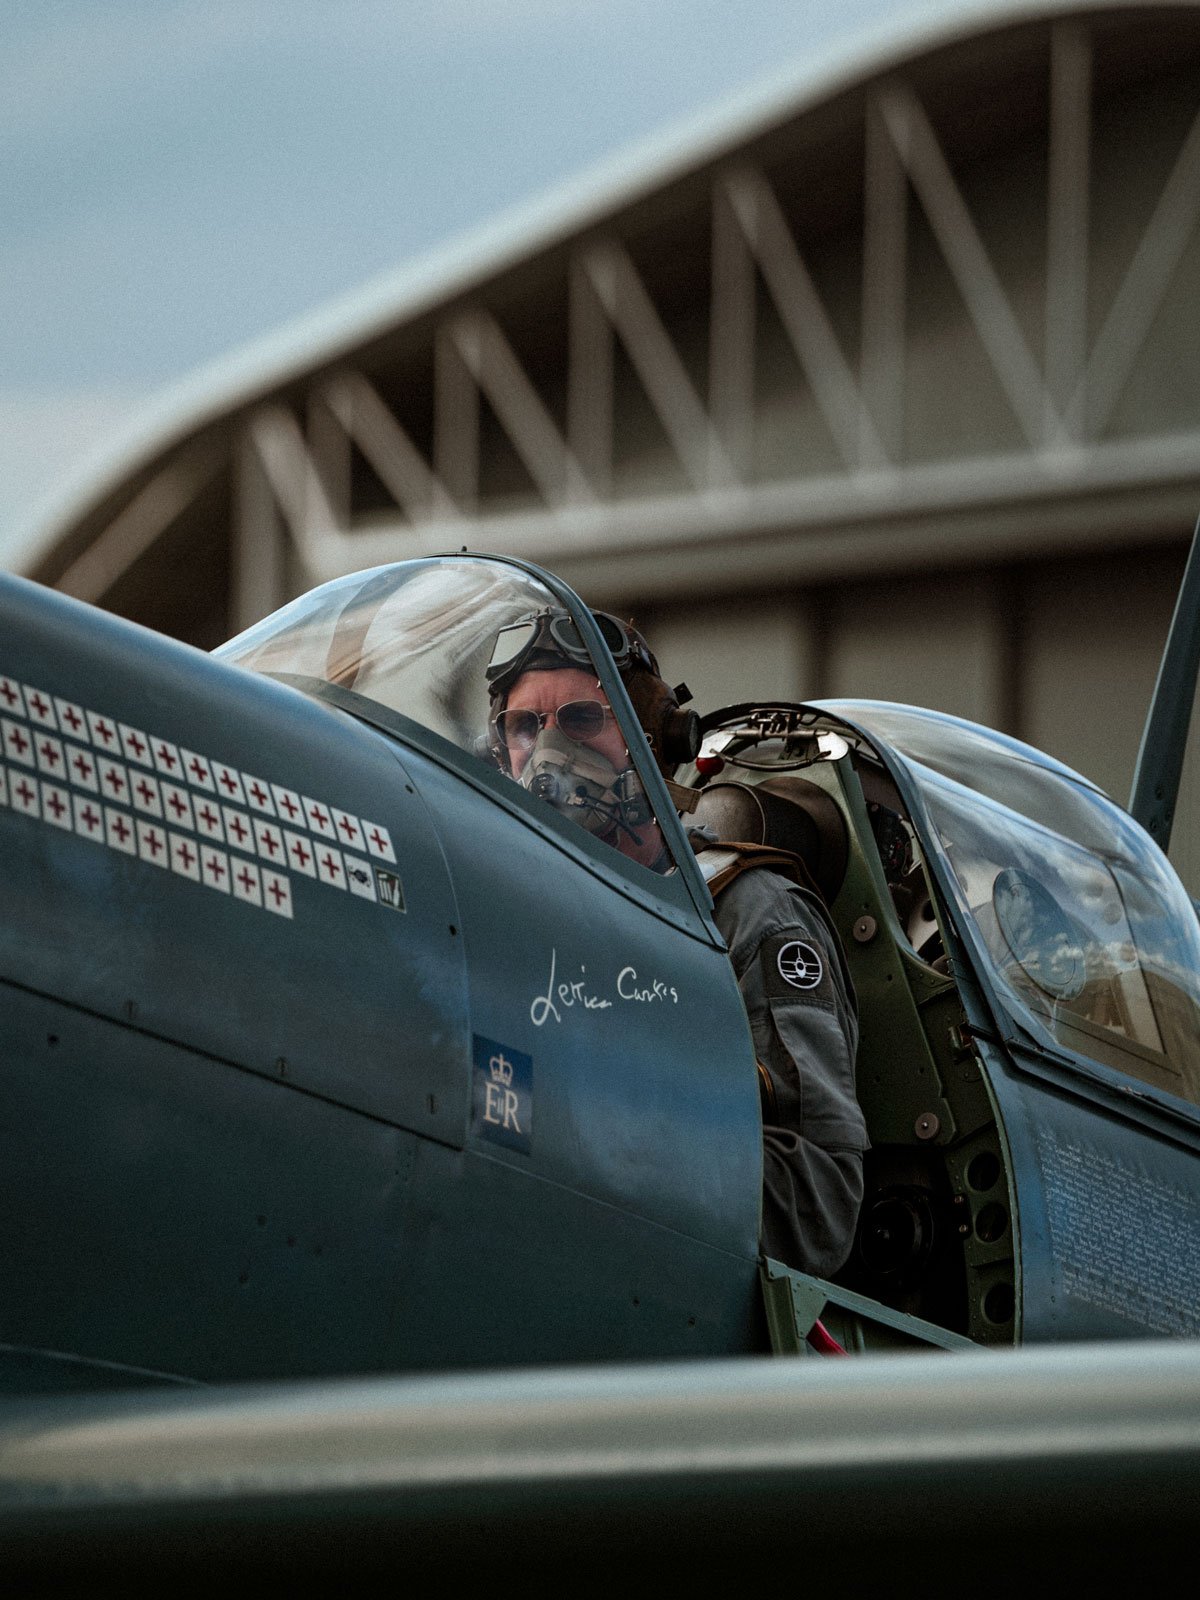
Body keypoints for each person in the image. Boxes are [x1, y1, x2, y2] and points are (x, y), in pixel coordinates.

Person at [486, 605, 866, 1278]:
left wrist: (594, 1155)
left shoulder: (750, 916)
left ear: (651, 741)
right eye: (525, 726)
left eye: (580, 720)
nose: (546, 755)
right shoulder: (507, 919)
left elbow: (820, 1202)